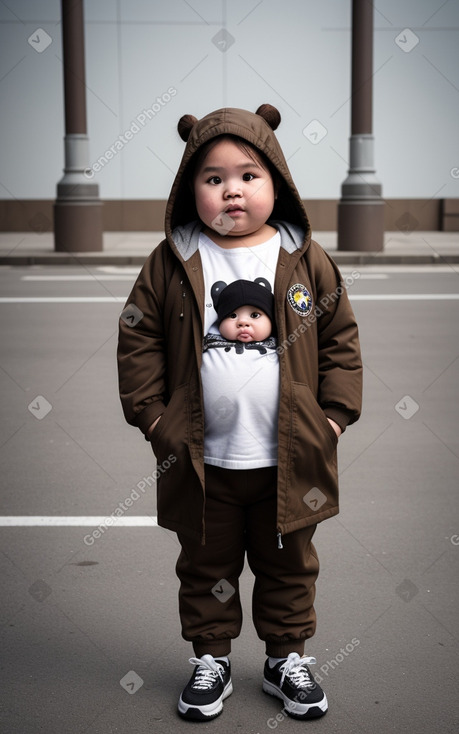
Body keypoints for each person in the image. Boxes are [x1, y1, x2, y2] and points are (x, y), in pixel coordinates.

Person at [117, 104, 362, 722]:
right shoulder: (175, 258)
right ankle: (212, 658)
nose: (232, 190)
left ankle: (287, 658)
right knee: (207, 564)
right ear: (189, 191)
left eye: (248, 175)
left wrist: (331, 419)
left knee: (289, 565)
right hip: (204, 460)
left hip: (289, 456)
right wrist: (153, 419)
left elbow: (340, 339)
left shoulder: (302, 257)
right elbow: (138, 337)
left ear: (275, 180)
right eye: (213, 178)